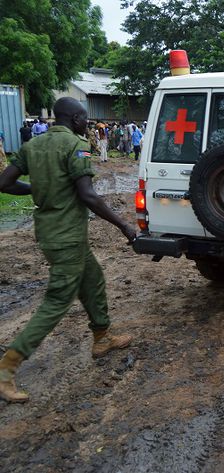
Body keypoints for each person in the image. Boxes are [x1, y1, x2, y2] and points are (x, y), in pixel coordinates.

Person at [0, 97, 136, 404]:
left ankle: (102, 338)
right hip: (67, 237)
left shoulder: (33, 146)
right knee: (57, 300)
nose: (86, 123)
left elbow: (4, 183)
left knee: (93, 279)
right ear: (75, 119)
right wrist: (123, 226)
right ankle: (7, 368)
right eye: (84, 119)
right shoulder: (75, 146)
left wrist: (37, 188)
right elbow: (88, 195)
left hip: (51, 234)